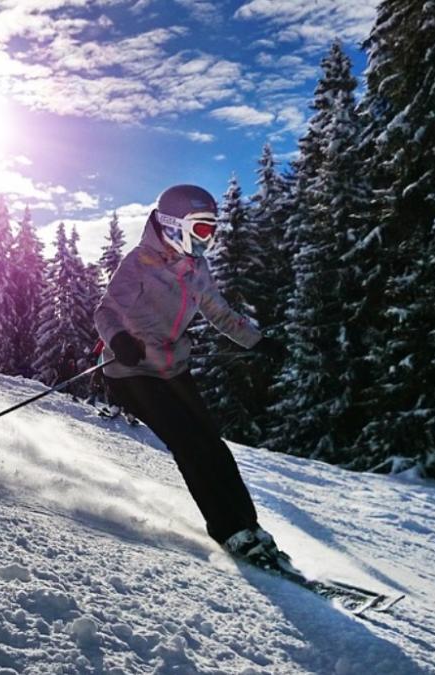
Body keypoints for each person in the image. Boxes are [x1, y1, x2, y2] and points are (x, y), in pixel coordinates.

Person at [94, 184, 289, 566]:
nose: (208, 239)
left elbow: (219, 313)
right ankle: (227, 530)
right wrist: (119, 339)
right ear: (172, 225)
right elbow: (105, 312)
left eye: (212, 230)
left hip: (171, 367)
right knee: (189, 443)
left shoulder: (197, 268)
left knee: (212, 443)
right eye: (201, 229)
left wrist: (257, 342)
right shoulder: (138, 262)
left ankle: (249, 525)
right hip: (131, 370)